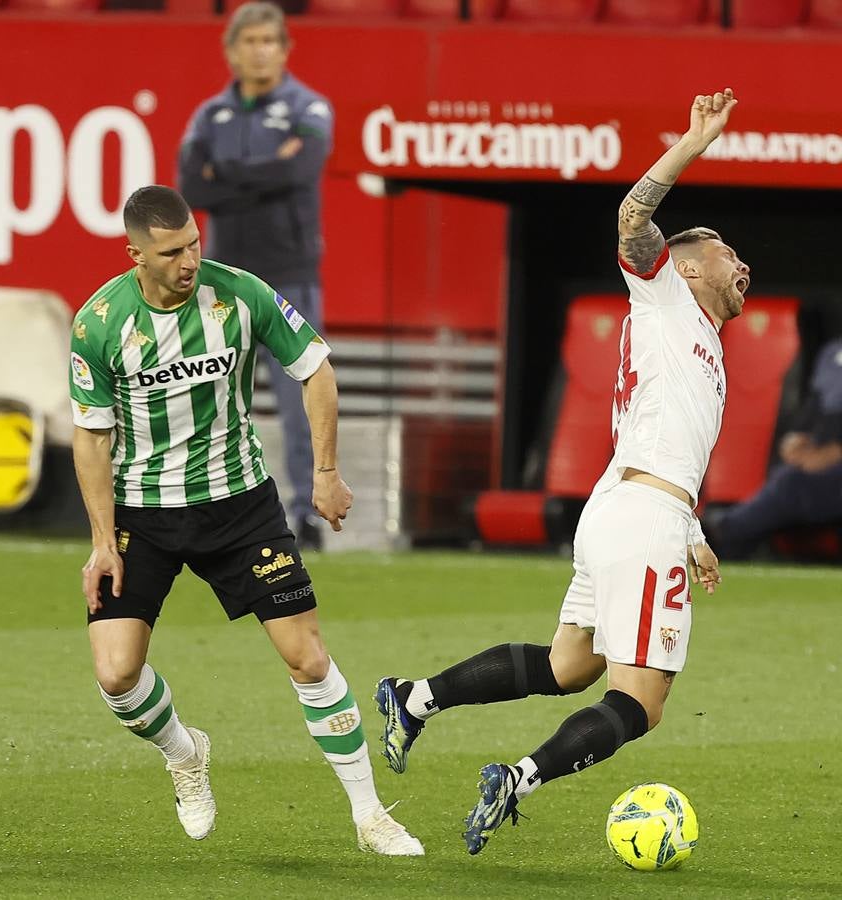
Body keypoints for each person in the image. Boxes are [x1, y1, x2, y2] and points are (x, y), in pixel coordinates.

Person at [375, 89, 750, 855]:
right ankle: (517, 778)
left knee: (569, 664)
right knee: (640, 701)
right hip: (639, 514)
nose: (743, 265)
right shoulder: (664, 296)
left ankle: (416, 699)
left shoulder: (701, 347)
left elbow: (661, 442)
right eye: (727, 255)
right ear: (685, 267)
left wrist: (693, 529)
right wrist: (692, 143)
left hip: (626, 505)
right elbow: (631, 221)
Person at [69, 185, 423, 856]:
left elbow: (316, 370)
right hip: (141, 512)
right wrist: (99, 542)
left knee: (307, 656)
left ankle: (370, 814)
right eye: (172, 252)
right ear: (135, 255)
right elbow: (91, 436)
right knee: (116, 675)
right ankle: (184, 751)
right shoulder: (99, 323)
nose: (189, 261)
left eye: (195, 243)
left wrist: (324, 472)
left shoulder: (241, 295)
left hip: (240, 506)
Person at [177, 1, 332, 551]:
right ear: (231, 51)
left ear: (285, 49)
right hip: (223, 280)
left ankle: (307, 513)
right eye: (250, 41)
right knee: (208, 398)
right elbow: (193, 189)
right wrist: (263, 176)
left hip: (289, 274)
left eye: (271, 40)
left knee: (299, 401)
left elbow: (300, 169)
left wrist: (231, 177)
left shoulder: (307, 107)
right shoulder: (209, 115)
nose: (261, 50)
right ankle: (203, 508)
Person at [705, 336, 842, 557]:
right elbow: (812, 408)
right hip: (817, 457)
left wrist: (835, 452)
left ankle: (723, 531)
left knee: (792, 483)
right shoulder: (832, 351)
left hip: (833, 465)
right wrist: (795, 439)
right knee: (787, 474)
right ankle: (725, 534)